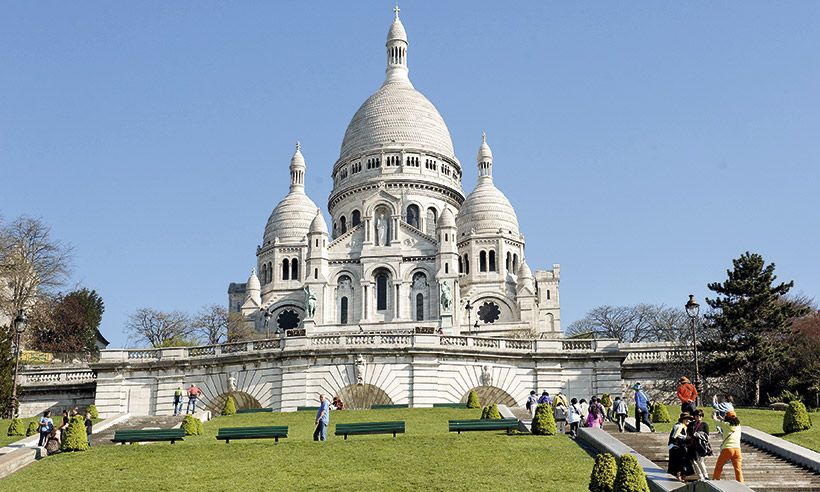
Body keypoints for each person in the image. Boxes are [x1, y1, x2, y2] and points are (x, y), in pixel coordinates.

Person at [712, 411, 744, 483]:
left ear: (727, 418)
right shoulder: (738, 425)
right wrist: (722, 418)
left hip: (728, 449)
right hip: (737, 450)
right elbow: (729, 422)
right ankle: (741, 484)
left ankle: (715, 480)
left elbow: (716, 421)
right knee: (738, 469)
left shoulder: (725, 424)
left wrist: (714, 415)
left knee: (719, 466)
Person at [668, 413, 694, 482]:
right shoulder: (678, 426)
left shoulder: (685, 427)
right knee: (679, 463)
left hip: (682, 447)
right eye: (687, 419)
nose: (688, 420)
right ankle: (679, 477)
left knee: (685, 462)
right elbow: (675, 436)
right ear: (683, 420)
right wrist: (685, 437)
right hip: (676, 447)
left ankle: (683, 477)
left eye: (689, 419)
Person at [687, 409, 712, 481]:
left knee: (700, 460)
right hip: (691, 445)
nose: (698, 417)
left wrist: (698, 434)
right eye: (697, 416)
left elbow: (706, 435)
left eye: (700, 416)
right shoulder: (691, 424)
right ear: (694, 416)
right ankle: (700, 476)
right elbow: (688, 433)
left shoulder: (704, 424)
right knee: (694, 462)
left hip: (700, 445)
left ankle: (705, 475)